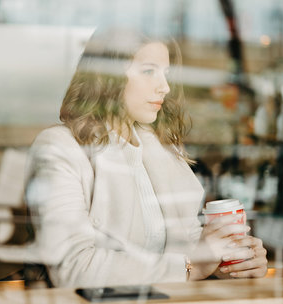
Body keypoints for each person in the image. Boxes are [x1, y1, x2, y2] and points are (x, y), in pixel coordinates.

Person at [24, 27, 267, 288]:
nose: (165, 87)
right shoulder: (61, 147)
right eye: (149, 71)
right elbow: (74, 267)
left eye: (166, 74)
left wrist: (229, 260)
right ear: (108, 76)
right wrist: (191, 266)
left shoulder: (158, 147)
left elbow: (187, 244)